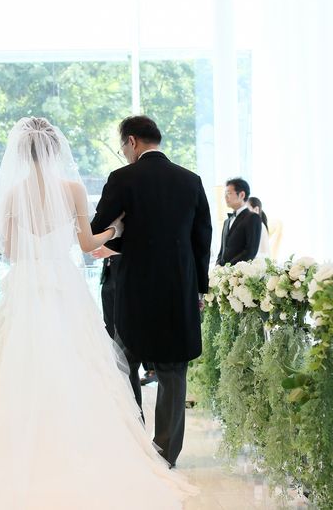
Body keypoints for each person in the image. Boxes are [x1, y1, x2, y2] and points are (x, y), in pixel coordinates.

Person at [0, 117, 196, 509]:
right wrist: (115, 231)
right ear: (57, 150)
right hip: (63, 282)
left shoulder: (13, 193)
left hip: (25, 284)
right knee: (76, 361)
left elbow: (9, 250)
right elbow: (87, 243)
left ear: (22, 153)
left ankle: (18, 444)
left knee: (18, 361)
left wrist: (35, 252)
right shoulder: (72, 189)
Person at [91, 115, 212, 469]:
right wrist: (199, 290)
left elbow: (98, 227)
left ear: (131, 142)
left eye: (123, 147)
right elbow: (201, 241)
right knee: (173, 371)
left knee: (125, 363)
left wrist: (121, 233)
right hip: (178, 289)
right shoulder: (190, 180)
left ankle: (135, 443)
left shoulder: (122, 178)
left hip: (135, 291)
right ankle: (166, 453)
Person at [93, 245, 158, 386]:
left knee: (129, 336)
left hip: (129, 274)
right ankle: (115, 364)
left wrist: (112, 249)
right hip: (110, 274)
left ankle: (150, 368)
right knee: (111, 327)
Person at [215, 177, 262, 266]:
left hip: (238, 271)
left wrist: (228, 268)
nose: (225, 197)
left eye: (229, 193)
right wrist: (218, 265)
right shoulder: (227, 221)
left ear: (242, 195)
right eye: (225, 193)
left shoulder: (252, 218)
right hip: (223, 271)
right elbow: (222, 250)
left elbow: (250, 251)